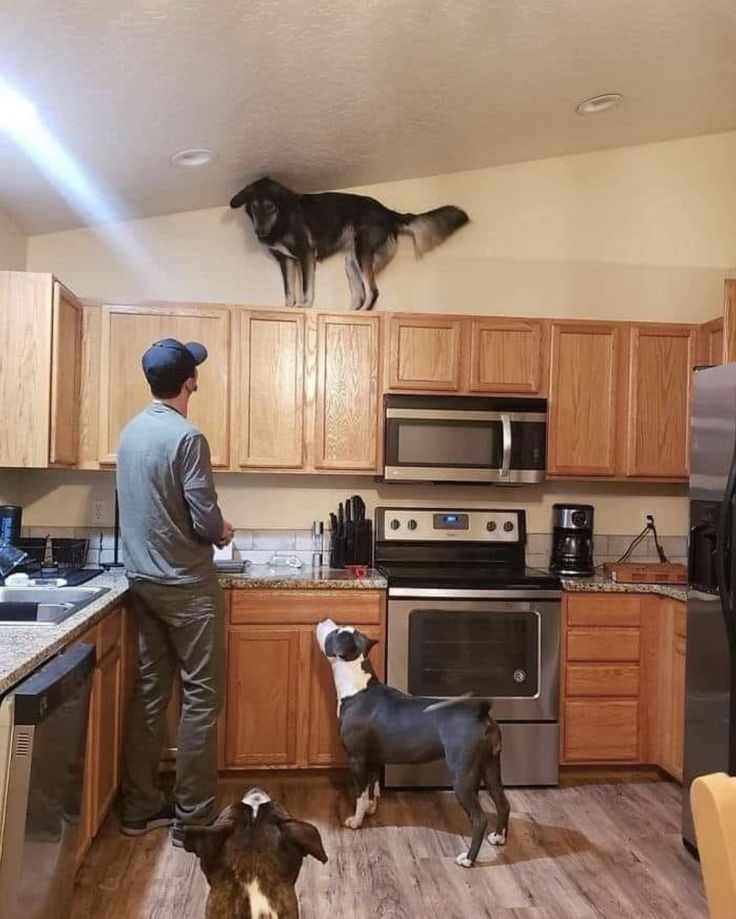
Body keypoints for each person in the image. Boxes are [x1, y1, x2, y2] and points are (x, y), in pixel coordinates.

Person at [116, 337, 234, 847]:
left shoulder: (131, 433)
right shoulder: (188, 438)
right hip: (188, 587)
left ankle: (139, 809)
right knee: (202, 699)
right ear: (191, 381)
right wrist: (223, 530)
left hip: (143, 583)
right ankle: (194, 819)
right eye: (195, 371)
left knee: (149, 694)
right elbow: (204, 517)